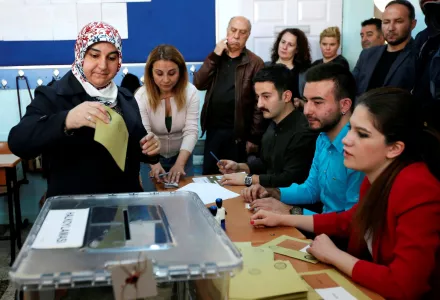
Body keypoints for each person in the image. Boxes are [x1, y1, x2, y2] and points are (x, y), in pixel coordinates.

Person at [251, 88, 440, 299]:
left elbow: (404, 285)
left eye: (362, 134)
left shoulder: (418, 188)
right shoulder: (376, 177)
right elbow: (348, 221)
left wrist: (334, 255)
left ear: (395, 148)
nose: (346, 140)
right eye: (351, 129)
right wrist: (282, 218)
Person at [8, 21, 160, 197]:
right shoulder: (54, 95)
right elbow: (19, 142)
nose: (103, 66)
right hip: (74, 208)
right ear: (80, 55)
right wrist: (66, 120)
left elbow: (134, 148)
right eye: (94, 56)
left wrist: (150, 150)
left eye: (111, 58)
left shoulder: (125, 98)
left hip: (122, 206)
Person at [242, 63, 364, 215]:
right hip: (323, 230)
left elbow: (351, 221)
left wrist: (290, 211)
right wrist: (273, 192)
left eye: (317, 102)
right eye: (306, 101)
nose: (307, 111)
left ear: (344, 105)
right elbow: (312, 189)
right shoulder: (322, 137)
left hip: (339, 236)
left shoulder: (359, 149)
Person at [218, 65, 317, 188]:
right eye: (258, 97)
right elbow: (267, 163)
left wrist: (248, 179)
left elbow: (290, 179)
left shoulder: (304, 132)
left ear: (286, 96)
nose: (259, 104)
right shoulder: (272, 123)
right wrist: (240, 167)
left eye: (266, 97)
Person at [193, 16, 265, 175]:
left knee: (234, 180)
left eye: (242, 32)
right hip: (213, 130)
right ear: (227, 31)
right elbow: (199, 83)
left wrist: (254, 137)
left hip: (239, 134)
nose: (237, 36)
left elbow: (259, 103)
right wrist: (215, 54)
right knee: (210, 178)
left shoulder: (255, 63)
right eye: (233, 30)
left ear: (248, 35)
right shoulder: (216, 57)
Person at [135, 45, 199, 190]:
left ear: (181, 72)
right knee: (153, 204)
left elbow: (191, 131)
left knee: (184, 200)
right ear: (150, 73)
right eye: (159, 73)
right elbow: (144, 134)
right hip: (151, 158)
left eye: (172, 73)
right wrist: (154, 164)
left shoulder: (191, 92)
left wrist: (180, 164)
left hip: (182, 155)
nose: (165, 80)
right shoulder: (141, 96)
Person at [353, 0, 417, 96]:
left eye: (398, 21)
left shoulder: (419, 54)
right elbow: (351, 86)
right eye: (386, 22)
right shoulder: (367, 55)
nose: (391, 28)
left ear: (412, 24)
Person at [265, 28, 311, 98]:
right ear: (278, 43)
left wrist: (301, 103)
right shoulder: (265, 67)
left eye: (290, 45)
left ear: (297, 50)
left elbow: (310, 99)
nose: (284, 47)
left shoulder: (305, 72)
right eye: (283, 42)